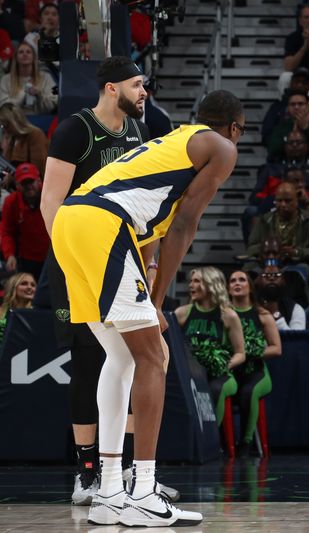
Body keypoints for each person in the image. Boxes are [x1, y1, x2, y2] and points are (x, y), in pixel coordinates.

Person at [50, 89, 243, 526]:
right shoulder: (221, 147)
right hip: (103, 225)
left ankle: (111, 492)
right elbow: (183, 226)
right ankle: (143, 491)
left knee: (120, 357)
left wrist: (149, 287)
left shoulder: (171, 143)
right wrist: (156, 302)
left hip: (71, 222)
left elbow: (152, 225)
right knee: (152, 354)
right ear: (234, 128)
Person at [38, 56, 152, 507]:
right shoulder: (75, 131)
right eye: (137, 84)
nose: (143, 92)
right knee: (88, 360)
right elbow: (51, 203)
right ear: (111, 88)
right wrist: (70, 262)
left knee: (127, 358)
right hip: (77, 260)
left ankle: (117, 470)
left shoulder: (136, 132)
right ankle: (87, 473)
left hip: (121, 258)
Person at [175, 267, 246, 428]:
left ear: (211, 284)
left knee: (215, 389)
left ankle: (212, 438)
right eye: (191, 281)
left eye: (197, 281)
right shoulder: (182, 313)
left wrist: (221, 365)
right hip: (192, 374)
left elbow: (240, 353)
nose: (191, 285)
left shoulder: (228, 315)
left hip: (221, 376)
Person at [227, 269, 281, 450]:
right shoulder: (223, 314)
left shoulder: (262, 315)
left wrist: (248, 352)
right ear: (227, 288)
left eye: (242, 280)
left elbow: (276, 348)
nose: (237, 283)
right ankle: (222, 444)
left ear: (250, 287)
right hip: (230, 371)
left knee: (248, 392)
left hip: (256, 371)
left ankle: (246, 443)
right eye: (233, 280)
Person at [0, 163, 48, 279]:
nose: (29, 186)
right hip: (26, 260)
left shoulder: (49, 197)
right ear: (17, 185)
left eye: (31, 182)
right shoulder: (11, 202)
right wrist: (9, 254)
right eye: (24, 183)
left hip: (51, 257)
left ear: (39, 181)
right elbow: (6, 231)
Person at [0, 41, 56, 113]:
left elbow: (53, 103)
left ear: (34, 57)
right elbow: (3, 105)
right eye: (21, 52)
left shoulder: (46, 77)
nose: (25, 54)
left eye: (28, 52)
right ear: (16, 57)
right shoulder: (6, 79)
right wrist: (23, 96)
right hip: (14, 120)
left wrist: (39, 95)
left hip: (41, 119)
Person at [0, 103, 49, 175]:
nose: (4, 129)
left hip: (29, 183)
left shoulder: (35, 135)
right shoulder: (13, 138)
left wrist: (12, 178)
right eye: (2, 125)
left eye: (6, 125)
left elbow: (38, 168)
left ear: (14, 122)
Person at [0, 272, 36, 343]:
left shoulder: (38, 315)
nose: (29, 287)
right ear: (13, 287)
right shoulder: (1, 311)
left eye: (33, 285)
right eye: (24, 283)